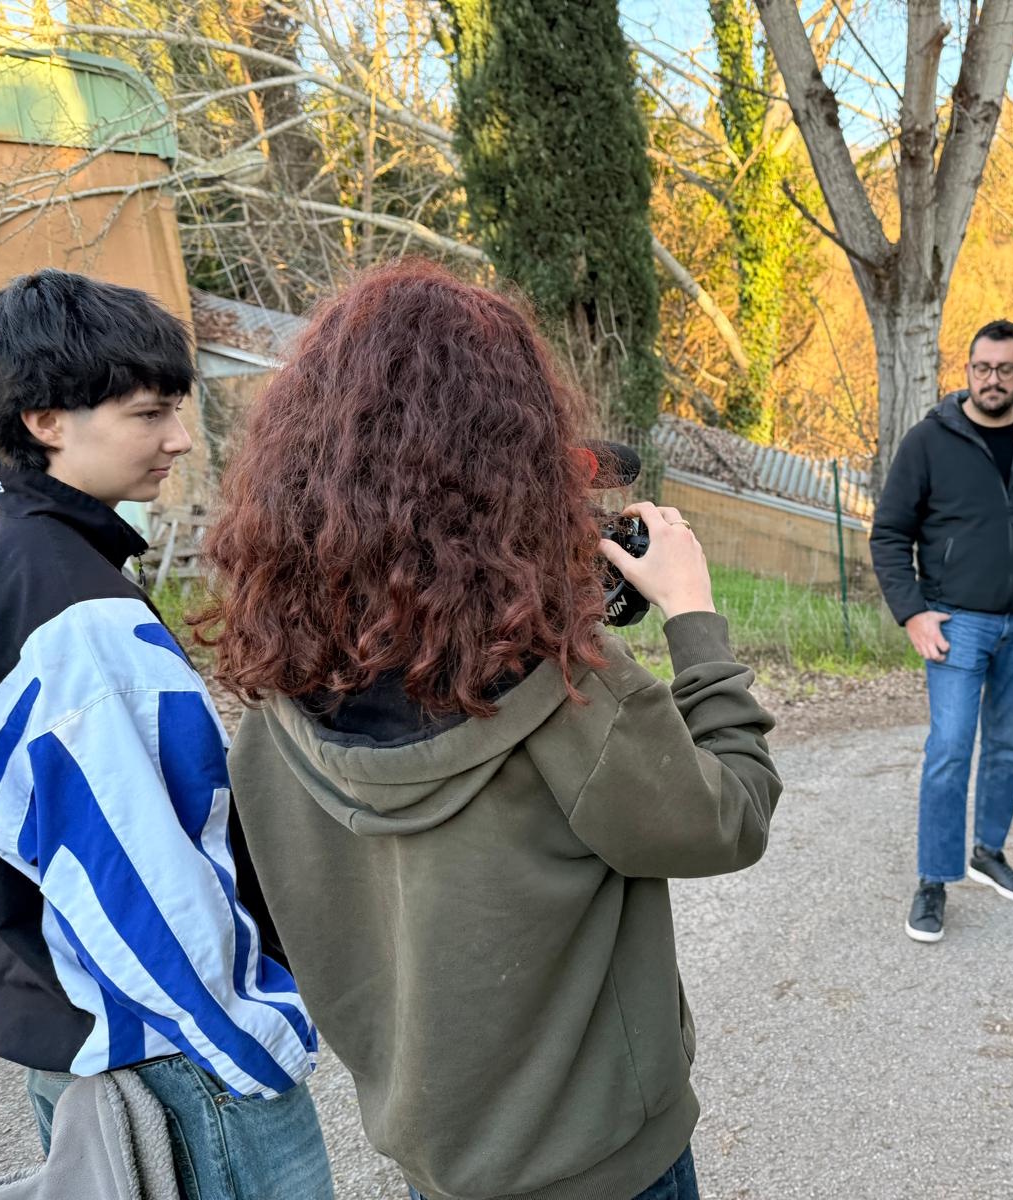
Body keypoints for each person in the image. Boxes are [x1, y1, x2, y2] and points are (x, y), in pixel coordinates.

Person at [197, 261, 783, 1200]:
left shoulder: (273, 702)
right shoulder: (564, 695)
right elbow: (729, 820)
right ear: (516, 467)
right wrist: (692, 616)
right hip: (604, 1166)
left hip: (437, 1161)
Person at [0, 270, 333, 1197]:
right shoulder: (68, 608)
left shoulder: (7, 560)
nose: (179, 439)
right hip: (172, 1054)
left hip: (95, 1039)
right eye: (150, 414)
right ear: (46, 420)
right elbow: (136, 881)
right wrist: (254, 1038)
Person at [870, 319, 1013, 944]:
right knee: (950, 750)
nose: (992, 380)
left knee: (1009, 746)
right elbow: (889, 535)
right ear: (965, 370)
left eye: (1005, 369)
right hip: (956, 623)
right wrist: (912, 612)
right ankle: (934, 879)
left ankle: (988, 851)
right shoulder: (929, 441)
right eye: (981, 368)